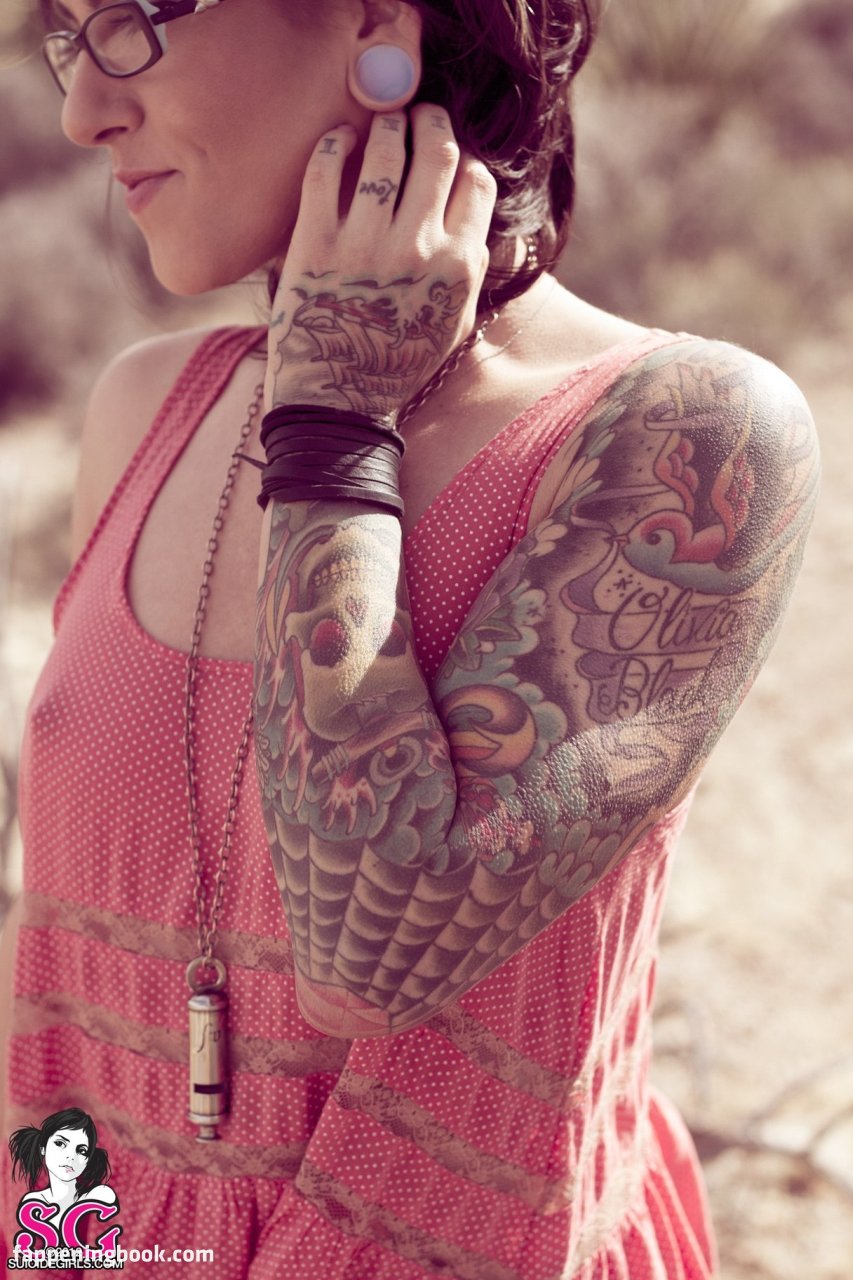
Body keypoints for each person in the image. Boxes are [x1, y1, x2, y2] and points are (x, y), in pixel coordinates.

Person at [0, 0, 819, 1275]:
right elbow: (56, 1020)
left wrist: (331, 424)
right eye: (63, 34)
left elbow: (366, 962)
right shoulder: (145, 409)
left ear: (376, 20)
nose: (80, 110)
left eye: (130, 18)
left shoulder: (683, 435)